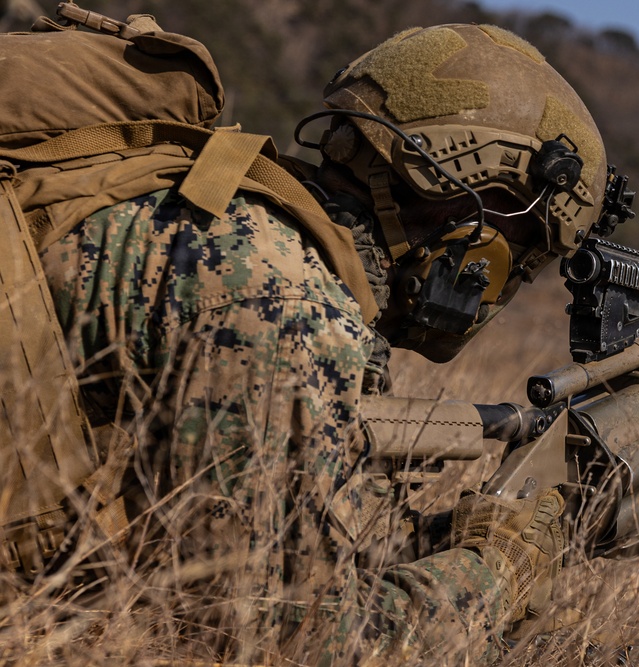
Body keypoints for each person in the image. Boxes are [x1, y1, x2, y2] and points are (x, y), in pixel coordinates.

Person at [25, 21, 607, 664]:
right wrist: (495, 575)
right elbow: (282, 639)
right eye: (526, 249)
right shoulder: (284, 304)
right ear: (468, 206)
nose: (513, 279)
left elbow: (283, 531)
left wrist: (452, 537)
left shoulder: (223, 212)